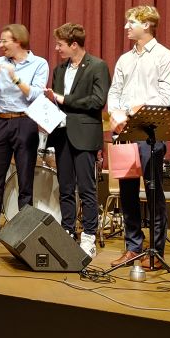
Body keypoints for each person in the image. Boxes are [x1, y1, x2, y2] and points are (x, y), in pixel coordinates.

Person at [106, 5, 170, 270]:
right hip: (125, 131)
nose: (126, 26)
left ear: (146, 24)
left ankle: (156, 252)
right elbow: (114, 91)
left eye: (131, 22)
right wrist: (115, 113)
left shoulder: (165, 57)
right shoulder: (124, 59)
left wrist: (137, 109)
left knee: (153, 191)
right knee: (127, 193)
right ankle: (133, 248)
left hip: (150, 133)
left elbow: (166, 96)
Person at [0, 24, 49, 247]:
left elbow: (36, 94)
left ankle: (25, 234)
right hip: (1, 122)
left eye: (5, 41)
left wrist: (15, 78)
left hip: (25, 122)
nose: (1, 45)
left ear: (18, 41)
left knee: (25, 181)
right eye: (0, 41)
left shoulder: (39, 63)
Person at [45, 23, 110, 259]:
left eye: (60, 44)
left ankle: (88, 236)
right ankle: (68, 231)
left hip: (84, 136)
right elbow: (57, 102)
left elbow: (97, 101)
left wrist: (64, 99)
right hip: (62, 134)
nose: (57, 48)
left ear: (74, 45)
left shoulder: (98, 66)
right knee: (65, 188)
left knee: (86, 189)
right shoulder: (59, 69)